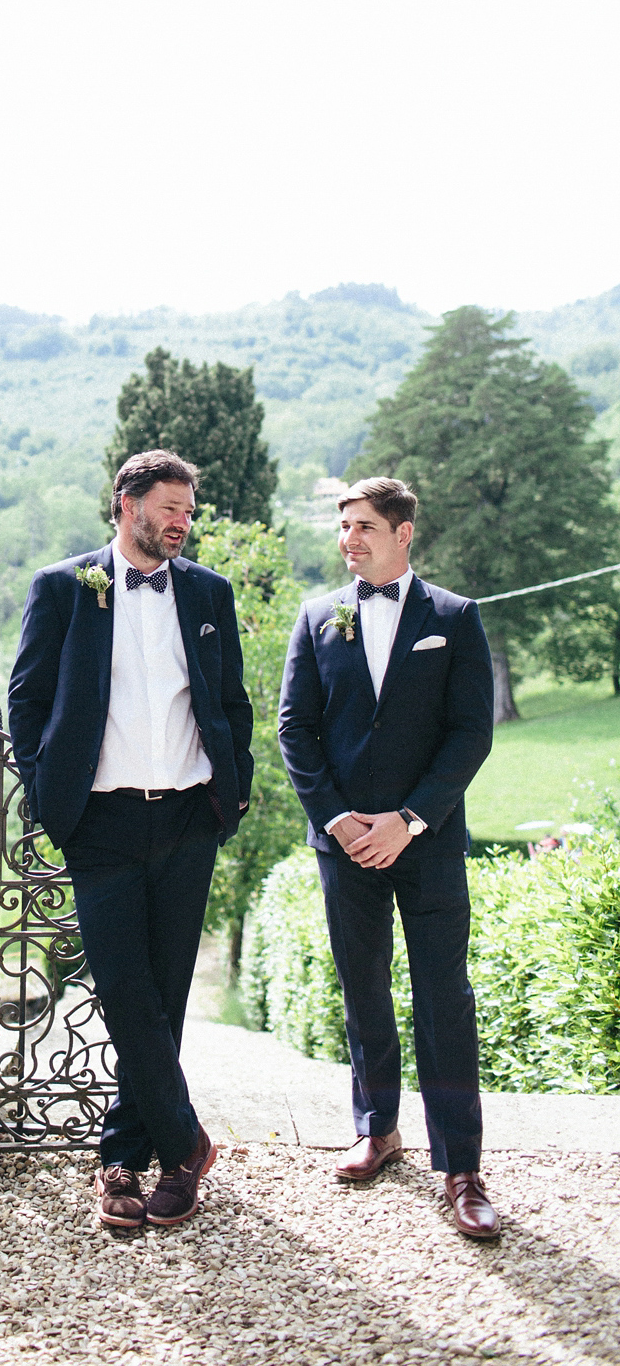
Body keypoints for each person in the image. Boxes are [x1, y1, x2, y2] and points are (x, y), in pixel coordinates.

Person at [8, 449, 253, 1229]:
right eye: (170, 509)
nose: (181, 523)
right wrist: (52, 797)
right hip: (102, 823)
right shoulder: (64, 588)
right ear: (126, 504)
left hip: (186, 817)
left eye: (188, 512)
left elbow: (232, 702)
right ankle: (185, 1146)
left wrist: (232, 788)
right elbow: (27, 700)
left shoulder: (210, 592)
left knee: (166, 994)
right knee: (122, 989)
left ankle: (125, 1159)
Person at [278, 476, 500, 1239]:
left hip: (426, 842)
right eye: (345, 526)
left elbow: (470, 733)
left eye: (366, 525)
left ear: (405, 533)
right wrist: (340, 821)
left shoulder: (455, 618)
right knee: (362, 987)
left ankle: (462, 1165)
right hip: (344, 847)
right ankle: (377, 1129)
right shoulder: (316, 618)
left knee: (445, 996)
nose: (351, 539)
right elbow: (294, 731)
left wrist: (409, 820)